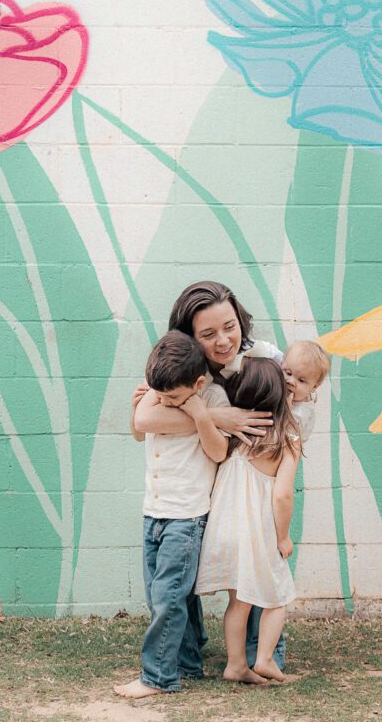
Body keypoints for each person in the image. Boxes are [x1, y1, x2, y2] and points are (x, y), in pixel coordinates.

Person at [131, 280, 288, 670]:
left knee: (256, 562)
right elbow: (145, 417)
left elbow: (282, 419)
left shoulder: (261, 361)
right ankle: (188, 653)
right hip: (196, 492)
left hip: (249, 484)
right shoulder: (178, 366)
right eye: (208, 334)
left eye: (230, 326)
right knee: (177, 582)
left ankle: (262, 653)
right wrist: (216, 416)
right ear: (188, 337)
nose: (223, 341)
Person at [114, 330, 228, 699]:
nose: (165, 401)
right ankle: (188, 662)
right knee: (165, 595)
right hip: (154, 511)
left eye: (173, 397)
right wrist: (138, 409)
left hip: (186, 516)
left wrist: (199, 414)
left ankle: (158, 676)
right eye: (159, 394)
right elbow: (138, 434)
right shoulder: (158, 392)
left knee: (168, 596)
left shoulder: (211, 397)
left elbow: (218, 453)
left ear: (195, 384)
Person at [195, 357, 300, 684]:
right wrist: (283, 537)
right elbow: (282, 496)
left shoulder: (233, 435)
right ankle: (265, 658)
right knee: (278, 596)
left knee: (238, 602)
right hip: (258, 533)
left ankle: (236, 664)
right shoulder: (286, 439)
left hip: (223, 530)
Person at [282, 340, 331, 443]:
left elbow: (292, 439)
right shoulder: (304, 392)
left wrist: (286, 412)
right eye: (288, 373)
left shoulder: (300, 413)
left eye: (301, 380)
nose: (291, 381)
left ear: (314, 386)